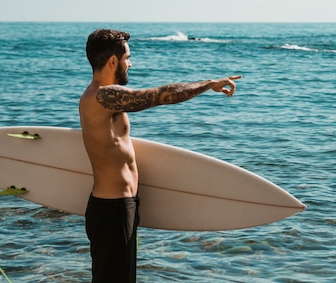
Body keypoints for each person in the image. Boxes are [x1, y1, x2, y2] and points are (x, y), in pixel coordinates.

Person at [79, 29, 241, 282]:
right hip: (111, 209)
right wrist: (208, 84)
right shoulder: (101, 97)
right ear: (113, 61)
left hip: (121, 205)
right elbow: (159, 96)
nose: (130, 63)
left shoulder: (103, 96)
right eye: (127, 57)